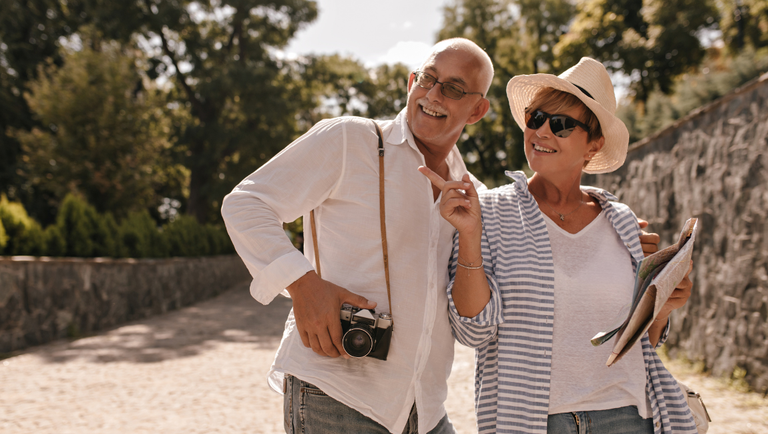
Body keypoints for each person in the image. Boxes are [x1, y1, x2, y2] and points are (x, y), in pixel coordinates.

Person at [223, 38, 661, 434]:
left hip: (424, 407)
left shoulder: (475, 196)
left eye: (452, 87)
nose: (432, 95)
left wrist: (618, 247)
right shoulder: (349, 140)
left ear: (477, 110)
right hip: (336, 392)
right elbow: (245, 204)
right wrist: (303, 284)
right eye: (426, 79)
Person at [419, 57, 698, 434]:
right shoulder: (489, 212)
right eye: (536, 118)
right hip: (530, 420)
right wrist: (469, 237)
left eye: (562, 124)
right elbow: (473, 332)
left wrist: (665, 304)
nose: (542, 132)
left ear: (593, 145)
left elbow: (642, 337)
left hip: (628, 415)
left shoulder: (623, 221)